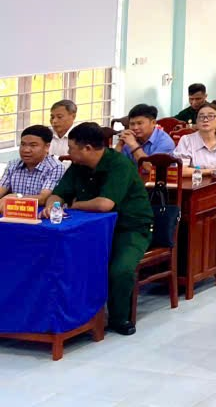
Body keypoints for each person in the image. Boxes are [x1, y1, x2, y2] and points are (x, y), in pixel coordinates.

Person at [43, 124, 152, 335]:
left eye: (72, 148)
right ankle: (78, 315)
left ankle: (119, 318)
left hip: (129, 227)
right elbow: (58, 194)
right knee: (69, 261)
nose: (68, 152)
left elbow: (104, 204)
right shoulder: (78, 165)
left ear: (88, 148)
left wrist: (73, 205)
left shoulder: (119, 165)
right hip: (90, 228)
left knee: (120, 270)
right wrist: (52, 206)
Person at [0, 125, 64, 204]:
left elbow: (43, 198)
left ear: (47, 147)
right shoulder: (13, 165)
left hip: (41, 210)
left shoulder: (55, 167)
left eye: (33, 145)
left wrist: (17, 198)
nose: (26, 150)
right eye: (23, 144)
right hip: (15, 209)